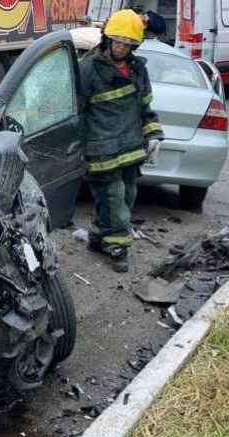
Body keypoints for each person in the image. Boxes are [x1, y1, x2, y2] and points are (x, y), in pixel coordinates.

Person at [78, 9, 164, 273]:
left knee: (127, 195)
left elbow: (146, 108)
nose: (122, 48)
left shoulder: (138, 70)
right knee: (113, 196)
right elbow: (77, 110)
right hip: (101, 148)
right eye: (118, 42)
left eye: (128, 45)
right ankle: (118, 247)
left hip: (129, 147)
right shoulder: (89, 68)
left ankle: (96, 235)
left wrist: (154, 135)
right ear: (107, 38)